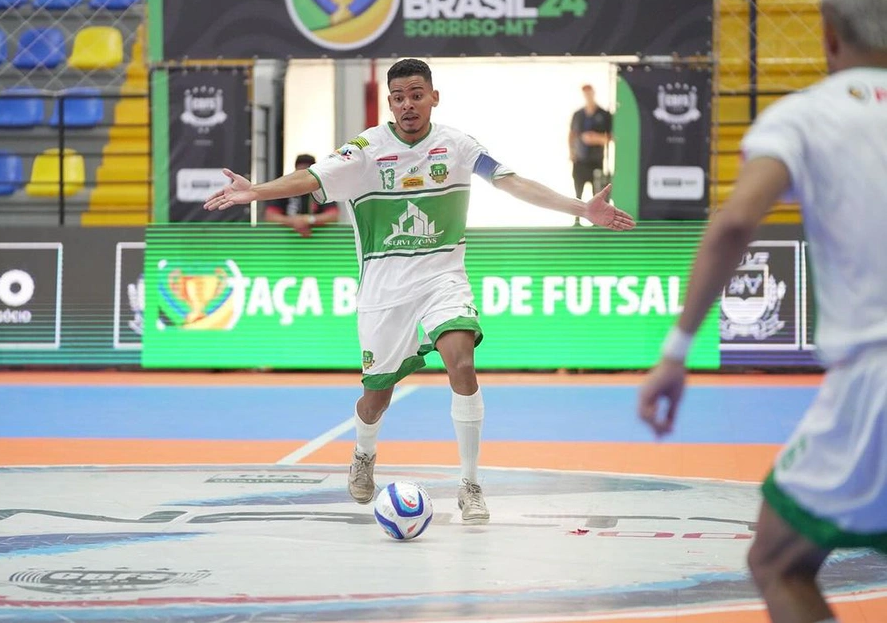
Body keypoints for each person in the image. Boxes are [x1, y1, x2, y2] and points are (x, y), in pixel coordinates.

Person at [206, 58, 635, 524]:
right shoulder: (366, 148)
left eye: (416, 94)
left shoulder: (459, 146)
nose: (407, 104)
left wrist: (579, 208)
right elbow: (311, 179)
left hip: (442, 279)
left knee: (463, 362)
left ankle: (470, 484)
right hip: (384, 290)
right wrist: (257, 191)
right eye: (398, 97)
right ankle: (364, 453)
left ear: (434, 96)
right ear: (389, 103)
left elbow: (512, 183)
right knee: (377, 397)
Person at [637, 0, 887, 620]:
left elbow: (732, 225)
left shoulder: (805, 116)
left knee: (776, 561)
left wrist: (675, 352)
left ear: (828, 33)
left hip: (876, 375)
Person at [262, 154, 340, 237]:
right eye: (300, 172)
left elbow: (333, 215)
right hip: (287, 240)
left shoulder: (322, 190)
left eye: (306, 173)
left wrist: (309, 220)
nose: (303, 177)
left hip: (317, 240)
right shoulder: (285, 189)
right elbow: (270, 215)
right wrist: (293, 221)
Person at [569, 84, 612, 200]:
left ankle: (597, 218)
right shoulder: (578, 115)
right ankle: (576, 218)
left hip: (596, 161)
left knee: (597, 195)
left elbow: (610, 137)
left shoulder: (604, 114)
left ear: (593, 93)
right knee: (577, 195)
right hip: (580, 160)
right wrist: (571, 153)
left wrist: (596, 138)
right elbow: (572, 135)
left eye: (589, 93)